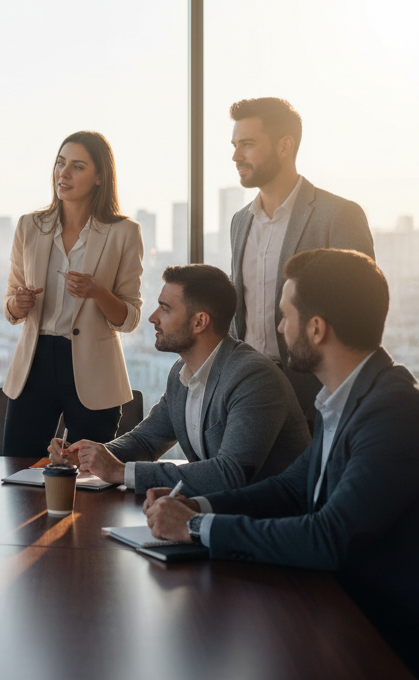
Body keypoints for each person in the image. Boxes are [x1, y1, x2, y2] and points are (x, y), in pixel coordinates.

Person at [146, 249, 419, 675]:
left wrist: (196, 528)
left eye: (285, 316)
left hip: (377, 638)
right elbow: (290, 488)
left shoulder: (391, 410)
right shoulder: (342, 398)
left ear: (316, 329)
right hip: (328, 606)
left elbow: (329, 537)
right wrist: (196, 506)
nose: (278, 327)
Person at [50, 264, 309, 495]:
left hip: (271, 522)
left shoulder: (253, 377)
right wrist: (86, 456)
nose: (153, 317)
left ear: (199, 322)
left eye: (165, 308)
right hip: (217, 513)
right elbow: (145, 442)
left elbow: (230, 474)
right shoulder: (180, 373)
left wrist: (121, 472)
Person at [228, 97, 374, 427]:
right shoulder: (240, 221)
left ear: (285, 145)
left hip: (315, 398)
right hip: (248, 391)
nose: (236, 156)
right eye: (235, 146)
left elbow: (361, 311)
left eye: (247, 144)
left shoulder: (338, 215)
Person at [1, 130, 143, 456]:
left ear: (99, 177)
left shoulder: (124, 232)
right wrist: (19, 303)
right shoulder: (29, 226)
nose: (63, 173)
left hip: (95, 370)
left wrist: (97, 292)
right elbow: (10, 306)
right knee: (17, 469)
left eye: (77, 167)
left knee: (92, 476)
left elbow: (129, 318)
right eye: (60, 163)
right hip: (34, 364)